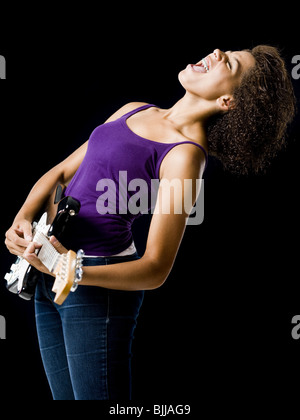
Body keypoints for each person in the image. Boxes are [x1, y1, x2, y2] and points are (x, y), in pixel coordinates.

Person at [4, 46, 296, 400]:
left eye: (230, 62)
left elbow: (156, 268)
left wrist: (75, 271)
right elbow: (63, 172)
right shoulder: (134, 109)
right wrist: (23, 217)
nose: (217, 51)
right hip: (47, 271)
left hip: (97, 289)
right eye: (226, 50)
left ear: (227, 100)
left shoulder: (186, 154)